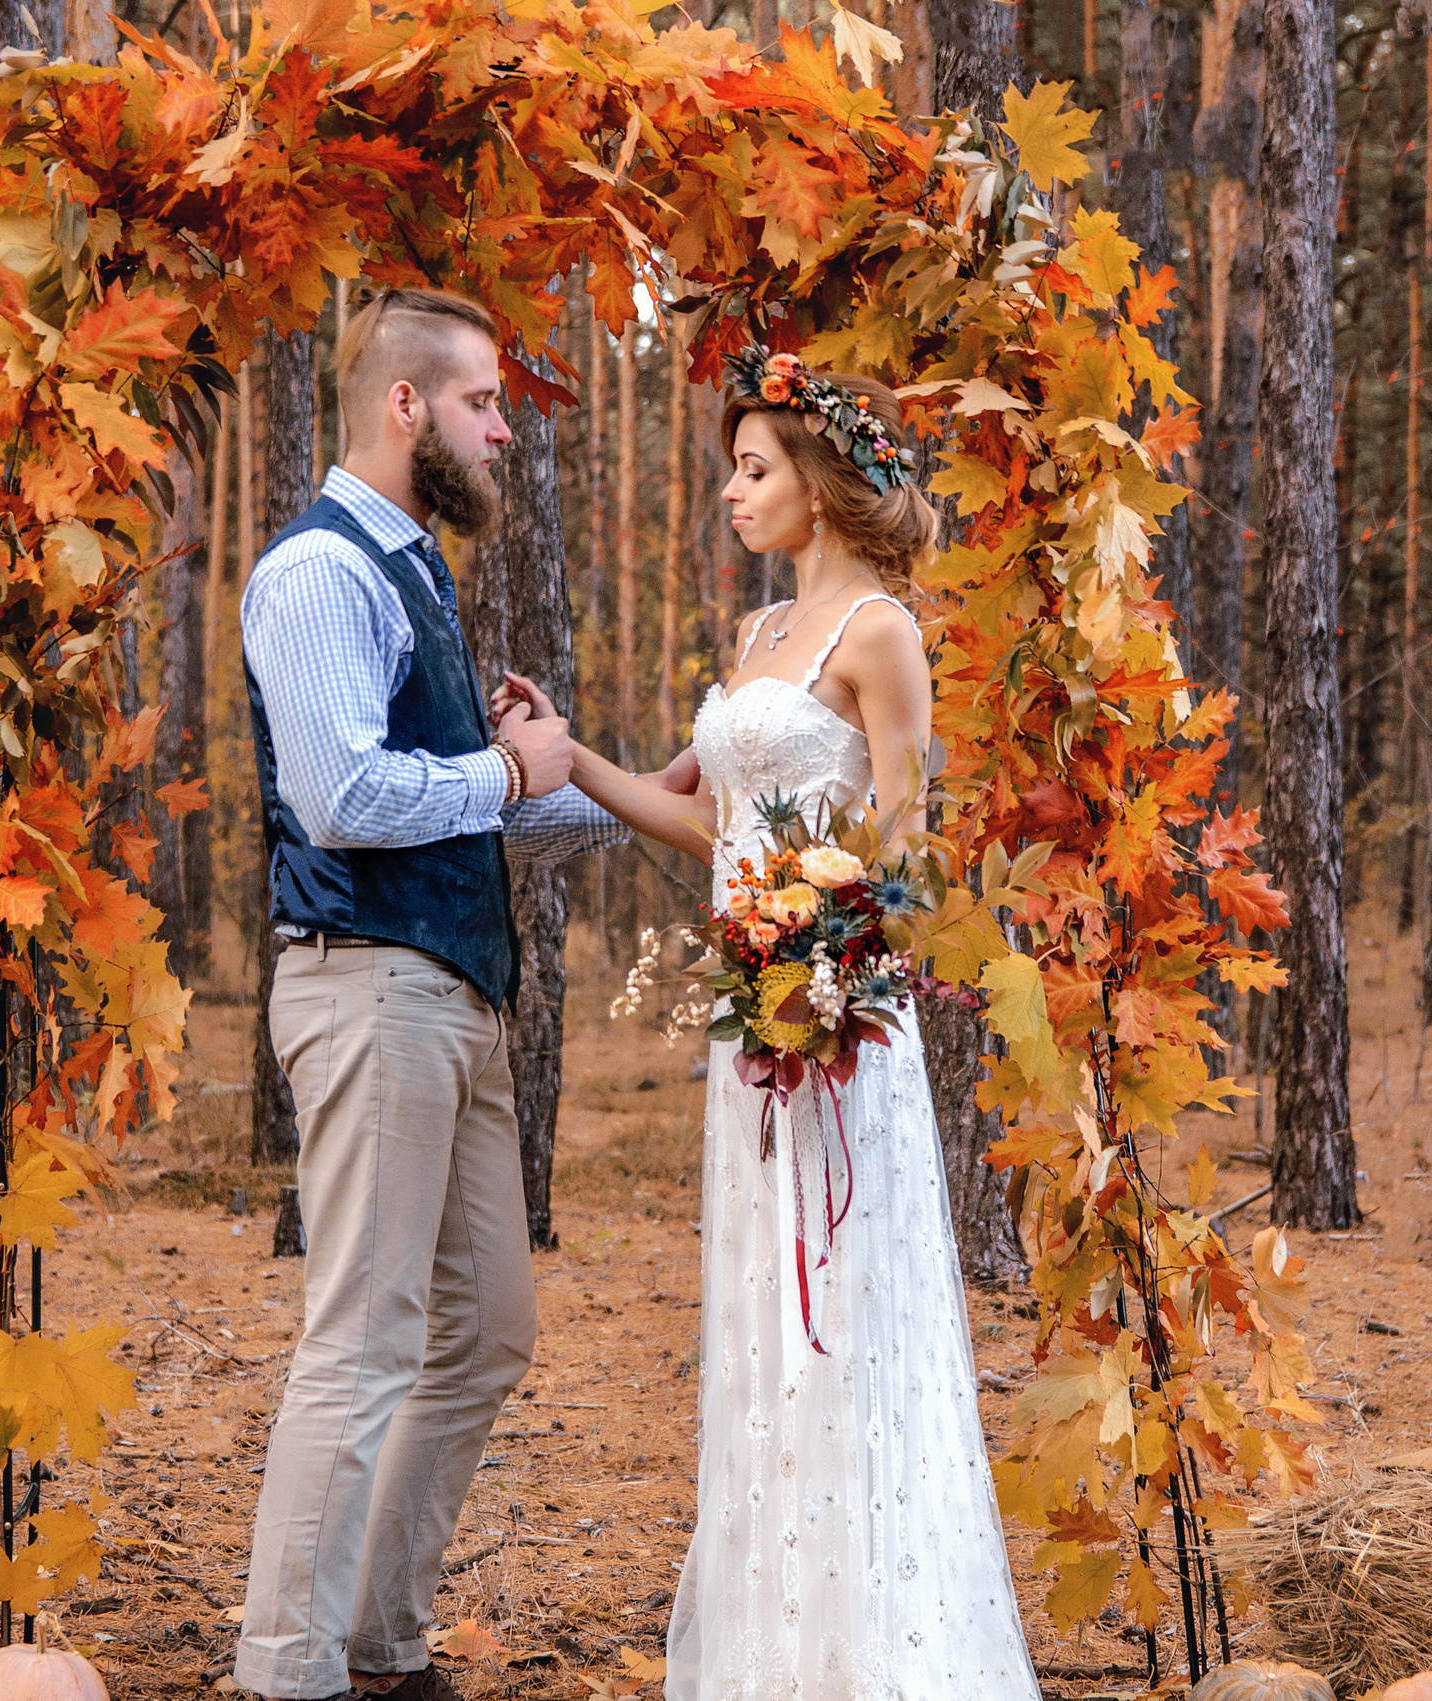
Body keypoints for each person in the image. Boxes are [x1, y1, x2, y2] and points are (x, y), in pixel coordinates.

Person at [491, 348, 1044, 1699]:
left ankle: (880, 1659)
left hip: (845, 1027)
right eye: (732, 470)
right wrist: (581, 766)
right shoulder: (753, 643)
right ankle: (774, 1652)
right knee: (763, 1336)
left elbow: (908, 843)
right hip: (752, 1033)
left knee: (848, 1325)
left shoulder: (882, 634)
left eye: (754, 469)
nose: (731, 493)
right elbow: (715, 827)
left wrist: (833, 959)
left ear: (824, 485)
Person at [234, 287, 676, 1701]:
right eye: (485, 403)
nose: (504, 430)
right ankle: (291, 1672)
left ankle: (379, 1642)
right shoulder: (320, 574)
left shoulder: (418, 576)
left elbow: (476, 810)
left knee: (485, 1327)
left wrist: (630, 793)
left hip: (457, 1003)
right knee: (361, 1338)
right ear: (406, 405)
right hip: (368, 992)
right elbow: (345, 797)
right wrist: (503, 772)